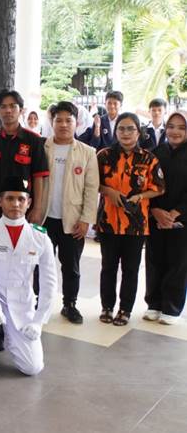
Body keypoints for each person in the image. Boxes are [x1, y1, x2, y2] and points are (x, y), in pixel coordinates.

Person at [0, 176, 58, 382]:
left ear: (29, 202)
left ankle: (4, 334)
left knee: (32, 367)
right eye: (9, 198)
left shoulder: (40, 237)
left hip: (21, 303)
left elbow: (49, 282)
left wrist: (39, 321)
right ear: (0, 201)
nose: (15, 204)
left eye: (21, 199)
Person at [96, 112, 164, 326]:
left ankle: (125, 309)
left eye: (130, 129)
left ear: (138, 132)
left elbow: (159, 188)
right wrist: (108, 190)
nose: (125, 133)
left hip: (136, 225)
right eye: (121, 129)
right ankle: (107, 306)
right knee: (108, 267)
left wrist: (141, 196)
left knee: (130, 270)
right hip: (108, 221)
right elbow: (92, 183)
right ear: (116, 131)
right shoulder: (104, 155)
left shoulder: (149, 158)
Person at [41, 102, 99, 325]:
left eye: (68, 120)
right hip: (44, 219)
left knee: (71, 266)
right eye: (59, 120)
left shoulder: (87, 152)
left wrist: (86, 220)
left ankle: (70, 303)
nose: (63, 124)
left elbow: (91, 189)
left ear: (77, 122)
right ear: (52, 122)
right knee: (40, 265)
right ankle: (39, 301)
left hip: (72, 221)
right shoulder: (42, 148)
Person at [0, 89, 49, 224]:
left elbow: (38, 177)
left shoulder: (34, 140)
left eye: (13, 106)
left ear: (21, 110)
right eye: (3, 107)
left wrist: (37, 208)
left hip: (23, 209)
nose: (8, 110)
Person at [145, 111, 187, 325]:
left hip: (181, 219)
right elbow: (145, 185)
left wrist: (174, 214)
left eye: (181, 127)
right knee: (154, 260)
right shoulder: (156, 152)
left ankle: (171, 307)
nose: (175, 131)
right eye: (171, 126)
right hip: (156, 217)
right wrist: (155, 211)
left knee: (178, 262)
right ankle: (154, 303)